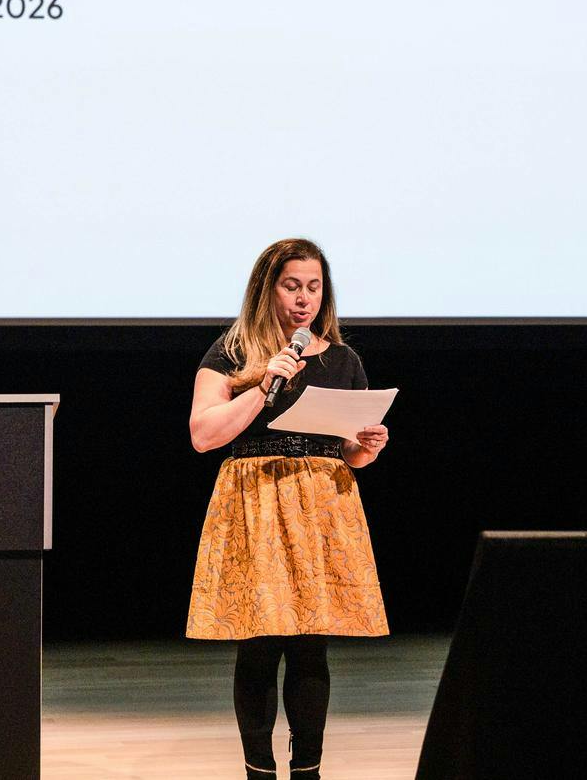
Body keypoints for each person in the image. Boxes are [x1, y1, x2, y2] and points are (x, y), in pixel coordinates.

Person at [187, 237, 390, 780]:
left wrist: (365, 447)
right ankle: (259, 770)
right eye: (292, 285)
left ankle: (308, 771)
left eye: (314, 287)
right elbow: (203, 435)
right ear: (267, 288)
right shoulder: (230, 352)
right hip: (256, 499)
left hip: (321, 504)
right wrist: (265, 382)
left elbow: (349, 452)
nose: (304, 299)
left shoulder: (344, 359)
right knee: (259, 642)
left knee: (309, 646)